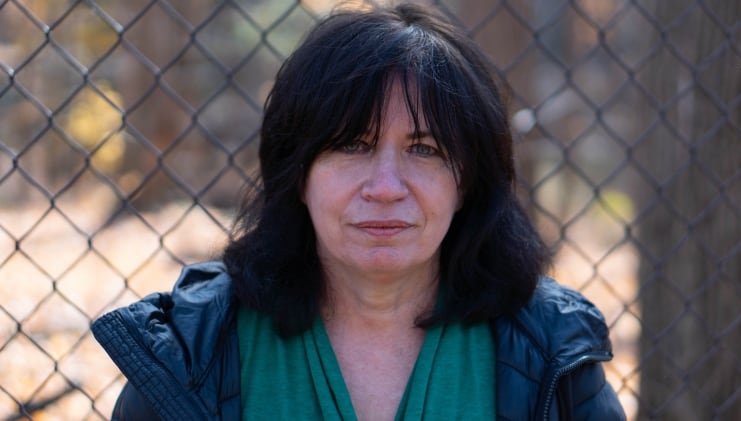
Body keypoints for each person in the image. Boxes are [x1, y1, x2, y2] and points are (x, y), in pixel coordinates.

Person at [92, 3, 625, 420]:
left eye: (425, 150)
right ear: (297, 173)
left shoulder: (552, 348)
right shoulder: (191, 351)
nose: (387, 187)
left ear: (468, 182)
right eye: (352, 145)